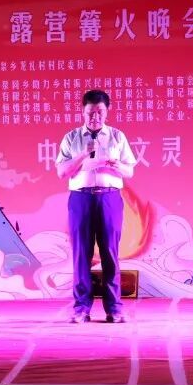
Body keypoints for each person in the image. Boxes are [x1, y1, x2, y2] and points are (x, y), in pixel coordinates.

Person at [54, 90, 137, 323]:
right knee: (81, 253)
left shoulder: (117, 136)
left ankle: (114, 308)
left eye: (100, 112)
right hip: (81, 199)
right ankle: (81, 308)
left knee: (110, 252)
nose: (95, 117)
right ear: (83, 111)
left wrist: (117, 165)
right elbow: (62, 171)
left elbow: (129, 171)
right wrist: (84, 154)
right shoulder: (71, 138)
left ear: (107, 111)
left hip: (109, 198)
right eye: (91, 112)